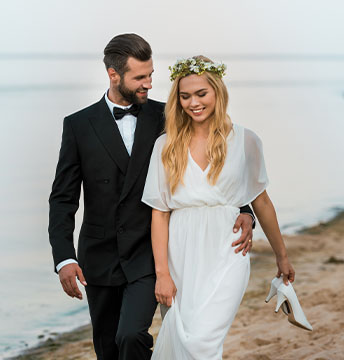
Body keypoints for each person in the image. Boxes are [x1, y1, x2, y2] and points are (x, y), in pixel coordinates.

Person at [48, 35, 255, 360]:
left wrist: (244, 208)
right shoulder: (78, 125)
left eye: (150, 75)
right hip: (99, 256)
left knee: (132, 335)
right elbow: (63, 198)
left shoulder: (168, 116)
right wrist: (64, 258)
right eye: (140, 77)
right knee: (108, 348)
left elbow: (216, 157)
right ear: (113, 75)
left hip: (149, 252)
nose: (149, 83)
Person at [142, 56, 295, 359]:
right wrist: (162, 274)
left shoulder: (246, 140)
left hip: (229, 251)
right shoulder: (166, 145)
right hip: (180, 253)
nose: (193, 103)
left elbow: (261, 201)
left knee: (202, 340)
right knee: (183, 335)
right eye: (185, 96)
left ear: (218, 93)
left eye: (202, 94)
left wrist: (282, 256)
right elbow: (159, 212)